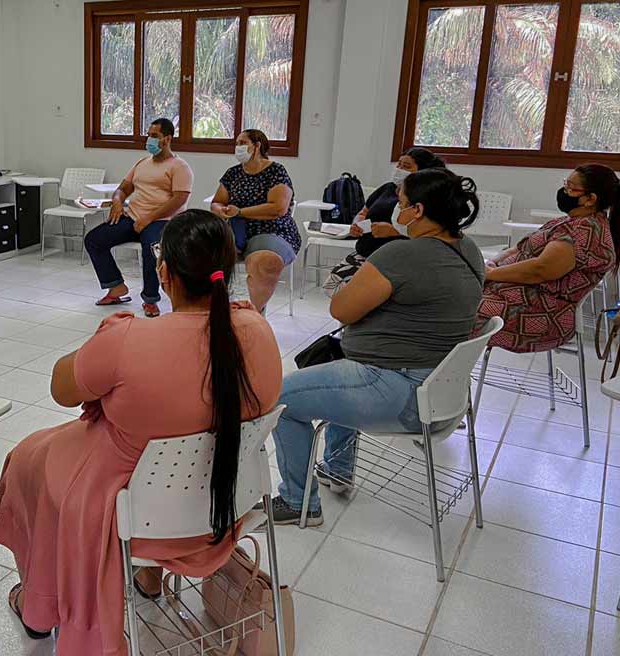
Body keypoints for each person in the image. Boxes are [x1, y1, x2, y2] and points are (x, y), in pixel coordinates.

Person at [0, 210, 282, 655]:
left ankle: (39, 607)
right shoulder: (258, 332)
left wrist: (102, 346)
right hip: (221, 502)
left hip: (134, 514)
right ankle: (147, 577)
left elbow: (62, 389)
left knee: (30, 459)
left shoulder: (130, 341)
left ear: (164, 272)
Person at [270, 169, 484, 525]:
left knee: (278, 398)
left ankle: (297, 503)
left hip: (397, 391)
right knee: (338, 366)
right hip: (441, 392)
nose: (394, 212)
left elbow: (340, 307)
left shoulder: (402, 255)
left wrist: (357, 283)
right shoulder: (468, 249)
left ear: (417, 210)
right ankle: (337, 470)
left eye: (399, 204)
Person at [474, 163, 619, 353]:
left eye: (570, 187)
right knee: (443, 297)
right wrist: (493, 263)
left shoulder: (586, 231)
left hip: (538, 312)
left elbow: (540, 270)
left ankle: (445, 376)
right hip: (508, 293)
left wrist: (492, 274)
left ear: (590, 199)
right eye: (565, 183)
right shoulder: (569, 221)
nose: (564, 190)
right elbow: (520, 248)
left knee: (449, 312)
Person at [84, 118, 193, 318]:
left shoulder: (179, 166)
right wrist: (117, 200)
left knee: (151, 250)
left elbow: (179, 199)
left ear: (167, 139)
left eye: (154, 136)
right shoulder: (142, 163)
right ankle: (116, 287)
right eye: (148, 135)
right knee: (94, 239)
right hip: (133, 217)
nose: (148, 140)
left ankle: (150, 300)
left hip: (163, 222)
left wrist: (149, 218)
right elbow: (124, 188)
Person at [324, 148, 447, 296]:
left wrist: (393, 231)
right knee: (334, 287)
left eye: (406, 166)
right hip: (366, 251)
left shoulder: (427, 200)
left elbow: (430, 234)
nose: (399, 169)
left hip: (397, 259)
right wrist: (357, 223)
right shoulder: (387, 188)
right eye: (399, 164)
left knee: (361, 299)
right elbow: (364, 212)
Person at [209, 129, 296, 311]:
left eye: (243, 143)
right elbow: (217, 202)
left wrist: (240, 211)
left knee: (264, 261)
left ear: (257, 146)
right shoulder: (233, 174)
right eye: (237, 143)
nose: (238, 147)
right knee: (202, 255)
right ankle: (214, 308)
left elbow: (278, 208)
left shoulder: (276, 171)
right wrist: (221, 210)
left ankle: (256, 313)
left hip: (272, 230)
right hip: (236, 231)